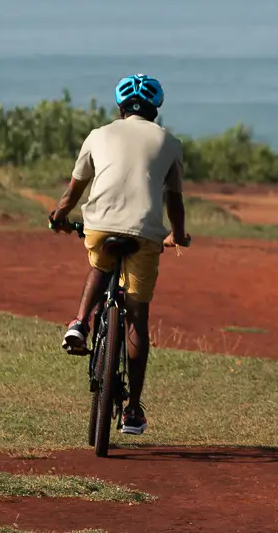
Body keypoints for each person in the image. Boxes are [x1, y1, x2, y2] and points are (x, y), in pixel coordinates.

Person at [51, 74, 189, 437]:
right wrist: (180, 234)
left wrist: (59, 216)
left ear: (119, 107)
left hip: (100, 226)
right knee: (138, 318)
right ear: (156, 110)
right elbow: (174, 199)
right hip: (145, 232)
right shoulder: (170, 142)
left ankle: (79, 322)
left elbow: (73, 190)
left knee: (100, 262)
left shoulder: (98, 135)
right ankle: (132, 410)